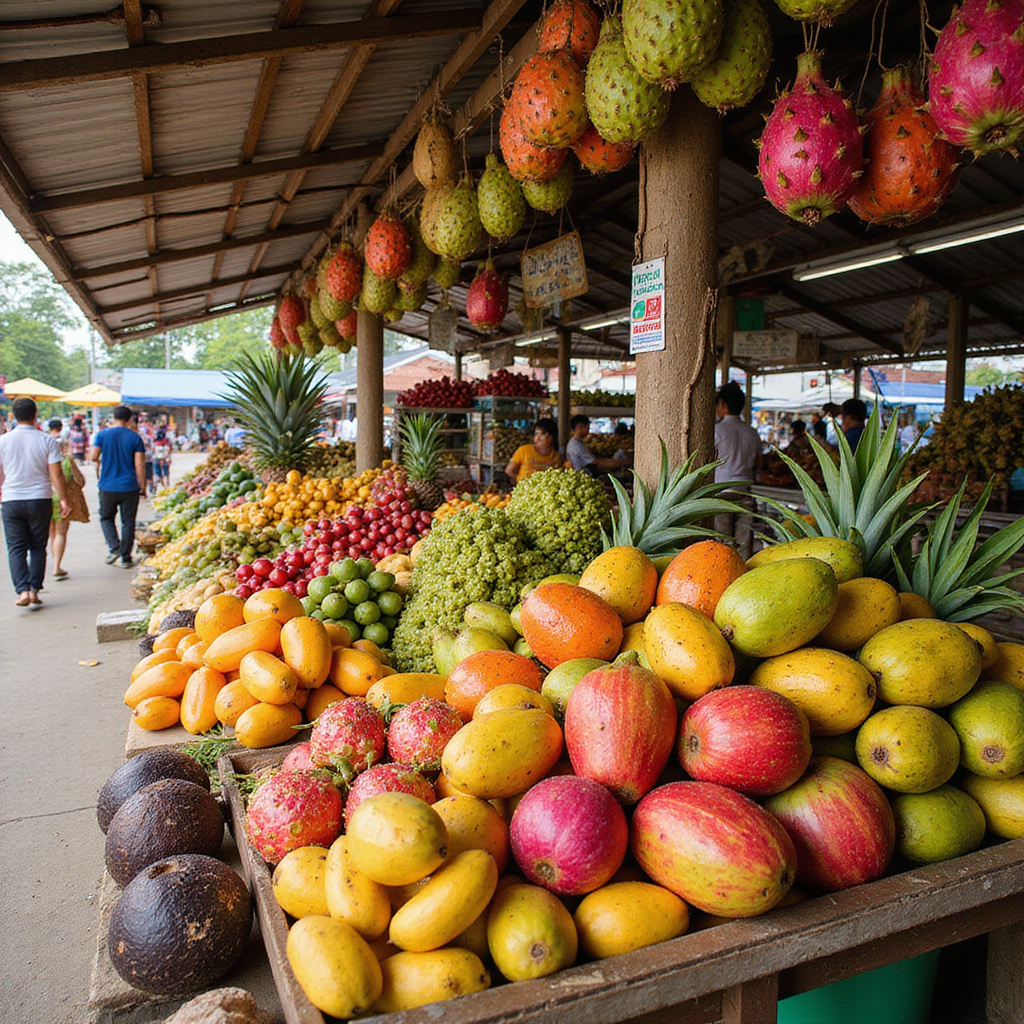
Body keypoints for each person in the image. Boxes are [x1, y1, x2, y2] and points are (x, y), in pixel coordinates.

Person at [0, 397, 70, 607]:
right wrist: (64, 499)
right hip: (40, 498)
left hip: (11, 499)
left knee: (16, 547)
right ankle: (35, 590)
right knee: (38, 546)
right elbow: (56, 474)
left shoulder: (3, 441)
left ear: (14, 415)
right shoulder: (46, 440)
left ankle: (22, 591)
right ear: (35, 414)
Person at [87, 404, 146, 569]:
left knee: (106, 518)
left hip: (107, 486)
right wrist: (142, 486)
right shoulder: (135, 438)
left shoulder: (103, 435)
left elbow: (92, 456)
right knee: (128, 522)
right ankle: (126, 557)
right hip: (129, 486)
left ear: (114, 418)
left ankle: (114, 547)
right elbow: (140, 464)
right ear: (130, 420)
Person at [713, 381, 761, 560]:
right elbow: (759, 463)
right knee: (744, 545)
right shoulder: (751, 432)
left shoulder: (717, 430)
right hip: (745, 493)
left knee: (721, 543)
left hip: (721, 492)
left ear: (723, 404)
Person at [49, 437, 89, 580]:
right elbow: (80, 481)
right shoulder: (67, 461)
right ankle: (56, 567)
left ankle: (53, 562)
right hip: (61, 499)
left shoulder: (42, 460)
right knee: (61, 533)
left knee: (51, 533)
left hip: (45, 498)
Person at [505, 418, 565, 485]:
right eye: (536, 434)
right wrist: (521, 481)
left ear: (551, 437)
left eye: (543, 433)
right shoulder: (524, 450)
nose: (538, 437)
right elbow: (509, 471)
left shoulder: (556, 458)